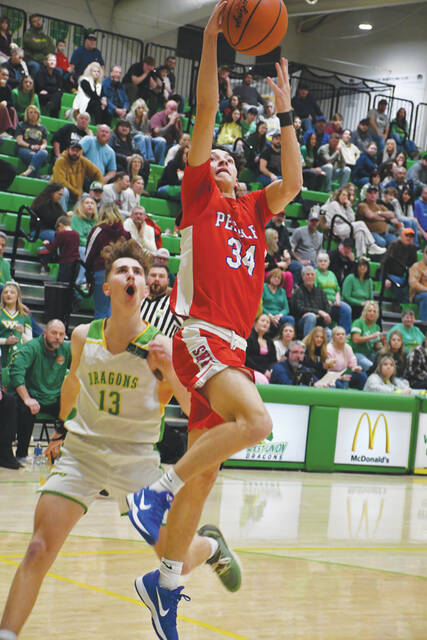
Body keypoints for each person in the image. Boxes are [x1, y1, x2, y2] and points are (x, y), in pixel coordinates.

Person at [124, 3, 302, 637]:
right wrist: (208, 38)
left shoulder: (254, 209)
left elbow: (294, 183)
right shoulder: (199, 195)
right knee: (256, 422)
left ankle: (165, 583)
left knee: (204, 480)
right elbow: (205, 113)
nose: (221, 160)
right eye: (215, 156)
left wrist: (284, 113)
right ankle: (153, 491)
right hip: (196, 337)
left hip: (231, 349)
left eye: (229, 159)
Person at [0, 239, 237, 639]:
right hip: (82, 454)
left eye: (138, 273)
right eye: (121, 271)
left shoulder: (163, 346)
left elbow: (193, 407)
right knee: (39, 549)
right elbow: (73, 383)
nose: (131, 276)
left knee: (170, 559)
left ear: (146, 290)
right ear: (106, 287)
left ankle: (210, 546)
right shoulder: (81, 335)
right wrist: (61, 429)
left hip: (136, 460)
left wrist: (171, 374)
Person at [8, 319, 71, 464]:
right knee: (25, 409)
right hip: (33, 396)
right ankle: (21, 454)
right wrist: (27, 398)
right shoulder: (32, 347)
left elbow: (80, 368)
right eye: (54, 333)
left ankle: (60, 451)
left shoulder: (66, 350)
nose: (57, 337)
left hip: (54, 398)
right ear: (44, 333)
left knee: (74, 410)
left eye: (61, 334)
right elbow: (16, 372)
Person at [85, 204, 130, 318]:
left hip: (102, 271)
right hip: (121, 273)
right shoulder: (125, 232)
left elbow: (89, 254)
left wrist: (87, 275)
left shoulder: (98, 230)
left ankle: (100, 335)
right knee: (114, 309)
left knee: (101, 310)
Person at [324, 186, 385, 259]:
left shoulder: (344, 207)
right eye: (343, 195)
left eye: (346, 195)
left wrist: (349, 207)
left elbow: (352, 219)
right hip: (336, 229)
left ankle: (361, 256)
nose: (345, 197)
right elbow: (343, 218)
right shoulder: (334, 204)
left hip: (345, 228)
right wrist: (347, 217)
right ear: (339, 195)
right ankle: (371, 245)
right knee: (361, 223)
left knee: (360, 232)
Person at [52, 141, 102, 210]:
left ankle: (79, 218)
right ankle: (62, 217)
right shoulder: (61, 160)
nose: (75, 153)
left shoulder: (83, 161)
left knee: (88, 197)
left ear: (81, 152)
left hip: (76, 194)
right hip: (57, 192)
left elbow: (97, 173)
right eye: (73, 150)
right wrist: (77, 192)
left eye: (77, 151)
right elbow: (60, 181)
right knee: (64, 191)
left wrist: (98, 188)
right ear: (67, 150)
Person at [140, 263, 183, 338]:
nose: (157, 279)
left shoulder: (175, 306)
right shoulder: (136, 301)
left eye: (161, 276)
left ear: (168, 281)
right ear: (146, 278)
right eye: (153, 275)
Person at [315, 251, 352, 334]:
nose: (323, 263)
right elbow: (315, 291)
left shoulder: (332, 274)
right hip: (322, 303)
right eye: (320, 261)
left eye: (325, 261)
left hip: (334, 302)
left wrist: (338, 300)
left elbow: (337, 290)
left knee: (346, 308)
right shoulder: (315, 273)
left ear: (328, 263)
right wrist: (326, 301)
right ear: (317, 263)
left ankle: (345, 334)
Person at [291, 265, 331, 338]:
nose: (310, 276)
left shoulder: (320, 291)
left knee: (329, 333)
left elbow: (327, 306)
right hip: (302, 323)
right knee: (310, 317)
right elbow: (300, 308)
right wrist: (319, 312)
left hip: (319, 323)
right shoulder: (298, 291)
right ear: (303, 277)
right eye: (307, 274)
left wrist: (319, 315)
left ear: (315, 277)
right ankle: (308, 346)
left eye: (312, 274)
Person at [0, 281, 32, 371]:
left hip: (17, 357)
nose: (8, 294)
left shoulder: (25, 316)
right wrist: (6, 341)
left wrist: (22, 334)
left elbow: (30, 342)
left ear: (18, 296)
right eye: (5, 292)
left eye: (12, 292)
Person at [381, 228, 418, 302]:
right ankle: (403, 302)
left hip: (401, 275)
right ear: (401, 236)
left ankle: (410, 300)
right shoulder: (394, 245)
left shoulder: (413, 248)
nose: (409, 238)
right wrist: (386, 278)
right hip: (388, 274)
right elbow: (384, 263)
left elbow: (414, 265)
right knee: (398, 282)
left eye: (411, 236)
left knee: (413, 282)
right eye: (407, 236)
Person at [126, 98, 166, 165]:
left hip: (145, 138)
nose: (141, 110)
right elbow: (131, 131)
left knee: (162, 141)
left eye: (143, 108)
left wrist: (144, 121)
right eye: (139, 108)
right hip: (133, 139)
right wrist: (143, 134)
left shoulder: (145, 117)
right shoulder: (129, 117)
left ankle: (160, 164)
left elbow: (145, 131)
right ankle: (146, 160)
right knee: (143, 137)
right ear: (135, 109)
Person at [326, 326, 366, 390]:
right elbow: (327, 371)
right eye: (338, 334)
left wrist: (355, 368)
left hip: (344, 376)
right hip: (331, 377)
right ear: (333, 337)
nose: (341, 336)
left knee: (362, 375)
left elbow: (352, 362)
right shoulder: (328, 348)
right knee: (338, 384)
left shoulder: (348, 347)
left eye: (343, 334)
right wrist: (341, 377)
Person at [72, 61, 111, 126]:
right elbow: (91, 94)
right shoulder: (84, 81)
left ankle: (106, 125)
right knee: (97, 103)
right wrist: (101, 101)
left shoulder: (98, 84)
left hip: (92, 103)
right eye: (94, 71)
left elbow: (102, 94)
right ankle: (98, 123)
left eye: (98, 72)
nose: (96, 73)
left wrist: (104, 100)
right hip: (83, 104)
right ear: (90, 72)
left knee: (106, 105)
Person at [15, 104, 48, 178]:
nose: (33, 114)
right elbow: (19, 141)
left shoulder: (42, 128)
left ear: (38, 115)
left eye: (35, 112)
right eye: (31, 112)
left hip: (38, 151)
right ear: (27, 114)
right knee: (37, 158)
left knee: (44, 152)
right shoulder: (21, 125)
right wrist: (31, 146)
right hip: (24, 149)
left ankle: (28, 172)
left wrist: (40, 147)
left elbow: (44, 143)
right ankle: (35, 177)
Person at [349, 300, 382, 371]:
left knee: (383, 363)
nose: (372, 313)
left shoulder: (376, 327)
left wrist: (384, 346)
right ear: (365, 312)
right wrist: (372, 336)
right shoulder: (358, 322)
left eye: (374, 311)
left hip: (370, 354)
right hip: (357, 353)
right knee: (371, 366)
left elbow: (377, 346)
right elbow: (356, 340)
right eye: (369, 311)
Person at [71, 196, 97, 285]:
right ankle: (80, 281)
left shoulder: (96, 221)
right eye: (87, 203)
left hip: (91, 246)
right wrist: (92, 245)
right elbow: (78, 237)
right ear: (81, 206)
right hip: (78, 247)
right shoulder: (76, 218)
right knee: (84, 251)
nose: (90, 205)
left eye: (92, 203)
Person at [245, 313, 277, 382]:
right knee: (263, 380)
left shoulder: (269, 341)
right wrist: (263, 371)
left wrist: (271, 370)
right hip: (251, 370)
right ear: (256, 322)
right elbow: (247, 359)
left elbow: (273, 360)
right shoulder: (249, 337)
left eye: (268, 322)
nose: (265, 323)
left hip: (267, 372)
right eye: (262, 321)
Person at [22, 14, 55, 79]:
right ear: (31, 24)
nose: (38, 23)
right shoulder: (28, 34)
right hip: (31, 60)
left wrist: (39, 45)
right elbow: (34, 46)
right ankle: (32, 85)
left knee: (58, 70)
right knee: (36, 66)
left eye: (38, 20)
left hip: (44, 61)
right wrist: (44, 45)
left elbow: (52, 49)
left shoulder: (46, 37)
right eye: (34, 21)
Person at [35, 53, 63, 118]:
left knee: (58, 95)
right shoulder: (41, 72)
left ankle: (52, 107)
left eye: (54, 60)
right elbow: (41, 86)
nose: (52, 62)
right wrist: (55, 89)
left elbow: (60, 87)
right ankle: (54, 116)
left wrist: (50, 89)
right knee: (56, 97)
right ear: (46, 62)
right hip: (44, 96)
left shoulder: (57, 73)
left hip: (53, 95)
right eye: (50, 60)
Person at [409, 246, 427, 322]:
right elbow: (413, 283)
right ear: (424, 254)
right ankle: (424, 323)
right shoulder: (417, 266)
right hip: (417, 295)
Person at [0, 67, 17, 134]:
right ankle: (4, 130)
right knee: (3, 108)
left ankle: (14, 130)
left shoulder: (8, 87)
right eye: (3, 74)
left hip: (3, 109)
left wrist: (6, 102)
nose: (5, 77)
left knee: (12, 109)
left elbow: (11, 103)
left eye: (7, 75)